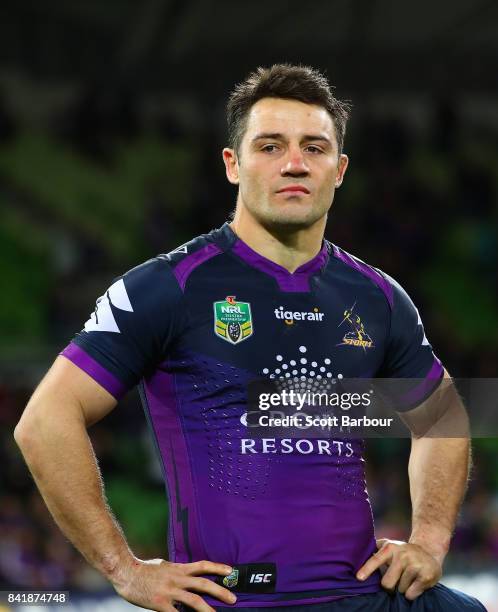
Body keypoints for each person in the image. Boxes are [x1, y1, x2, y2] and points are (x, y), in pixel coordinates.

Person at [14, 64, 485, 611]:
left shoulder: (377, 297)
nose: (294, 164)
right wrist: (126, 570)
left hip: (365, 597)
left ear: (340, 169)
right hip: (240, 600)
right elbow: (45, 421)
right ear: (232, 165)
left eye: (314, 147)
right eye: (270, 146)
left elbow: (442, 417)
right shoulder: (168, 287)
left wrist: (428, 541)